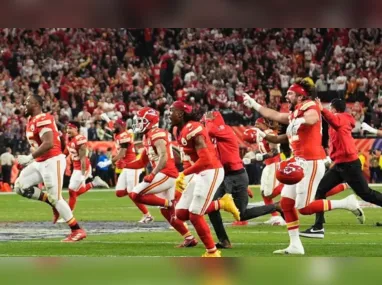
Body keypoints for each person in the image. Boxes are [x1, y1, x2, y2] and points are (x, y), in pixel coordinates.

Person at [243, 78, 363, 255]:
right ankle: (295, 245)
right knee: (286, 204)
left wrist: (301, 122)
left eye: (290, 93)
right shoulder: (295, 112)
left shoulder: (309, 106)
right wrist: (254, 104)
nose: (286, 95)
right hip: (298, 160)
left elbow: (313, 117)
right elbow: (274, 115)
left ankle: (347, 203)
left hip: (310, 162)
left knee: (304, 207)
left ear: (300, 96)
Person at [300, 98, 382, 238]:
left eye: (330, 108)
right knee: (320, 189)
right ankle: (318, 226)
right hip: (340, 164)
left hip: (350, 164)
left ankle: (319, 224)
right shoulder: (338, 120)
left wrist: (322, 109)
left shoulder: (342, 117)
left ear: (334, 108)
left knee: (366, 194)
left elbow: (335, 121)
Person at [121, 107, 198, 248]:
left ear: (150, 122)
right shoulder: (148, 136)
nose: (137, 124)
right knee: (167, 213)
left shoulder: (157, 134)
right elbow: (141, 162)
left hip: (166, 173)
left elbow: (164, 157)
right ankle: (189, 238)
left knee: (135, 194)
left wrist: (152, 174)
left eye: (141, 121)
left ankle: (170, 203)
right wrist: (125, 164)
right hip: (163, 174)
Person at [203, 111, 283, 249]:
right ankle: (224, 241)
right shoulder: (214, 135)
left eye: (208, 119)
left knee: (239, 214)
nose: (205, 122)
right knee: (225, 211)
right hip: (227, 176)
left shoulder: (224, 129)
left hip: (235, 175)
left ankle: (276, 206)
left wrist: (208, 120)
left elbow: (209, 130)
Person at [170, 100, 239, 257]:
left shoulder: (194, 128)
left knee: (195, 214)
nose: (169, 114)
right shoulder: (178, 129)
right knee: (181, 213)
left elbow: (206, 160)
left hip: (211, 170)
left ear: (181, 114)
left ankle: (212, 252)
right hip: (200, 171)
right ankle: (221, 203)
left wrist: (184, 174)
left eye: (172, 111)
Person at [15, 94, 86, 242]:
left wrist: (29, 157)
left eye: (28, 102)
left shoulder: (43, 118)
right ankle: (50, 202)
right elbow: (49, 141)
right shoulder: (31, 120)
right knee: (20, 186)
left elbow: (48, 143)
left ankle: (77, 230)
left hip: (52, 160)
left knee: (57, 197)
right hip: (40, 162)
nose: (24, 104)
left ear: (36, 104)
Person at [98, 118, 153, 224]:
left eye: (115, 125)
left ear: (122, 126)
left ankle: (147, 214)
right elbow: (111, 124)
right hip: (125, 167)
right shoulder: (118, 133)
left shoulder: (124, 135)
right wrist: (105, 117)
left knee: (132, 192)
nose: (113, 127)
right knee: (119, 192)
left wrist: (108, 162)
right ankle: (139, 192)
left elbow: (122, 153)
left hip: (132, 166)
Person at [56, 121, 109, 223]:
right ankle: (94, 183)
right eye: (67, 128)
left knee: (72, 191)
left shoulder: (80, 140)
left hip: (82, 168)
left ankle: (68, 216)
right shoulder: (70, 139)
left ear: (77, 129)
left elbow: (83, 159)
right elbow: (67, 151)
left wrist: (82, 174)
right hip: (76, 168)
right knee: (73, 192)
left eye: (70, 128)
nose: (68, 130)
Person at [242, 118, 286, 226]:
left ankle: (288, 186)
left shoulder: (270, 134)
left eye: (258, 123)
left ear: (264, 124)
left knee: (269, 193)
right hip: (267, 164)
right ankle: (275, 217)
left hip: (274, 164)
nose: (256, 125)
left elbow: (274, 152)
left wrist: (263, 156)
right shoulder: (261, 135)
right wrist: (251, 160)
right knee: (263, 193)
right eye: (255, 123)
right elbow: (262, 151)